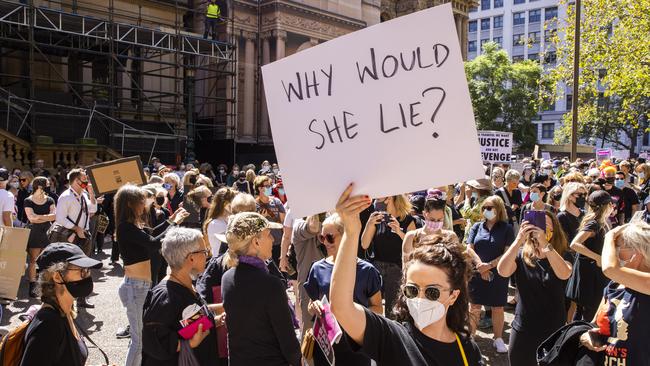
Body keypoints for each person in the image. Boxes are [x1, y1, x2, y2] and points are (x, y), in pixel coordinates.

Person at [330, 183, 484, 365]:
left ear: (453, 295)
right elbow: (341, 307)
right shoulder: (393, 338)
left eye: (432, 292)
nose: (420, 299)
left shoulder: (467, 350)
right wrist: (350, 230)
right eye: (412, 290)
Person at [115, 184, 188, 366]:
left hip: (140, 286)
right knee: (137, 340)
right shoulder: (125, 227)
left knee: (139, 339)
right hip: (135, 286)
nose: (145, 205)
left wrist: (171, 220)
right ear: (131, 204)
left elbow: (152, 234)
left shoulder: (132, 226)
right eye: (141, 201)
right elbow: (154, 243)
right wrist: (174, 223)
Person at [221, 212, 301, 366]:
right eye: (268, 234)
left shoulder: (227, 278)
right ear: (256, 242)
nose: (272, 239)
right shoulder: (270, 285)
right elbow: (288, 343)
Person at [304, 213, 382, 366]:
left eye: (330, 237)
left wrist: (351, 312)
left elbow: (378, 308)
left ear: (346, 235)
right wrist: (314, 306)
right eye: (322, 237)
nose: (325, 242)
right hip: (325, 344)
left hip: (356, 344)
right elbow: (310, 307)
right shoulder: (317, 268)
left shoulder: (367, 270)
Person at [497, 213, 573, 366]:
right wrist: (518, 241)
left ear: (555, 228)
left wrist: (545, 244)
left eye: (546, 223)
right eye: (536, 222)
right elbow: (502, 271)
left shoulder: (564, 254)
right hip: (523, 327)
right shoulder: (521, 255)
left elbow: (564, 274)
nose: (540, 226)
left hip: (553, 328)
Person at [141, 227, 224, 366]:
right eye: (204, 251)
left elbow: (184, 325)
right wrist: (189, 343)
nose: (208, 254)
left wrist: (215, 321)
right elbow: (154, 343)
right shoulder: (164, 296)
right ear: (191, 258)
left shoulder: (187, 284)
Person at [578, 221, 650, 365]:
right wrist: (586, 336)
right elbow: (593, 324)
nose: (613, 251)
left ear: (638, 251)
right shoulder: (614, 285)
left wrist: (609, 236)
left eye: (617, 246)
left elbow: (609, 268)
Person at [19, 242, 102, 366]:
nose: (87, 276)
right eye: (82, 271)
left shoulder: (66, 312)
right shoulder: (48, 325)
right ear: (57, 276)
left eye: (88, 271)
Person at [466, 195, 514, 354]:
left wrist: (490, 266)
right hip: (477, 271)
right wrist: (480, 265)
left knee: (497, 307)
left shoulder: (507, 229)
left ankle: (498, 338)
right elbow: (469, 248)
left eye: (490, 208)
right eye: (484, 208)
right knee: (474, 306)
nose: (486, 211)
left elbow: (508, 253)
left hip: (498, 273)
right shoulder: (477, 226)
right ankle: (470, 338)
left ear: (498, 209)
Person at [361, 194, 416, 318]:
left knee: (393, 310)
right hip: (376, 268)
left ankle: (391, 335)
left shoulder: (407, 220)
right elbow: (364, 244)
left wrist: (399, 231)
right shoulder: (377, 218)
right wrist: (369, 224)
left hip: (396, 269)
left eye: (379, 198)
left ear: (390, 198)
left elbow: (413, 247)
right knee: (374, 308)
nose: (376, 201)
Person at [50, 169, 97, 308]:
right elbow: (60, 218)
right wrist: (76, 228)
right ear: (76, 181)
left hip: (83, 236)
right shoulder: (65, 196)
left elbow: (93, 209)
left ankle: (82, 298)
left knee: (85, 266)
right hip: (69, 236)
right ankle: (64, 297)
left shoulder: (83, 195)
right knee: (67, 267)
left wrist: (92, 193)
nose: (86, 182)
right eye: (84, 180)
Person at [567, 190, 613, 321]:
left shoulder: (601, 222)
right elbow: (575, 244)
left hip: (592, 272)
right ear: (606, 206)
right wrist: (597, 257)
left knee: (583, 310)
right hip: (589, 274)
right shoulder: (594, 223)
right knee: (588, 311)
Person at [291, 214, 325, 334]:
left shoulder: (330, 220)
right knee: (310, 334)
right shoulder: (298, 225)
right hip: (310, 290)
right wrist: (314, 207)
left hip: (332, 285)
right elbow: (313, 228)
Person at [24, 176, 56, 298]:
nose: (50, 185)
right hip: (34, 233)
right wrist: (46, 217)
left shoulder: (50, 199)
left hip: (47, 231)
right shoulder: (28, 200)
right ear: (40, 186)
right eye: (47, 183)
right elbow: (31, 218)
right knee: (33, 260)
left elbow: (55, 216)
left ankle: (45, 285)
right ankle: (32, 286)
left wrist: (39, 216)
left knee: (47, 259)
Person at [402, 196, 456, 265]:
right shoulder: (411, 237)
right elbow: (406, 267)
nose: (436, 223)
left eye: (439, 220)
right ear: (424, 214)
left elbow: (456, 265)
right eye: (432, 219)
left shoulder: (450, 236)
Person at [254, 175, 285, 265]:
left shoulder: (276, 202)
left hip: (279, 243)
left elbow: (283, 223)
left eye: (270, 185)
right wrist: (262, 218)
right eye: (267, 186)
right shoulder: (255, 205)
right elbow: (255, 228)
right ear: (260, 188)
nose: (270, 188)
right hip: (264, 245)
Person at [204, 187, 238, 256]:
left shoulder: (228, 219)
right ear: (225, 204)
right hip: (220, 263)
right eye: (234, 202)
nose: (236, 206)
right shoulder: (215, 224)